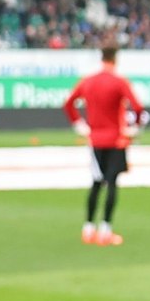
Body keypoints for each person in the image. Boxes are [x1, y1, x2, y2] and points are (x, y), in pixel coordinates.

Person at [62, 44, 143, 247]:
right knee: (112, 183)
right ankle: (106, 230)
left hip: (95, 140)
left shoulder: (88, 81)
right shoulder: (119, 82)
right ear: (115, 58)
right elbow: (138, 107)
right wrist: (134, 128)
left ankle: (88, 228)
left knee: (96, 183)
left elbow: (68, 103)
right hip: (116, 140)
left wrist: (79, 125)